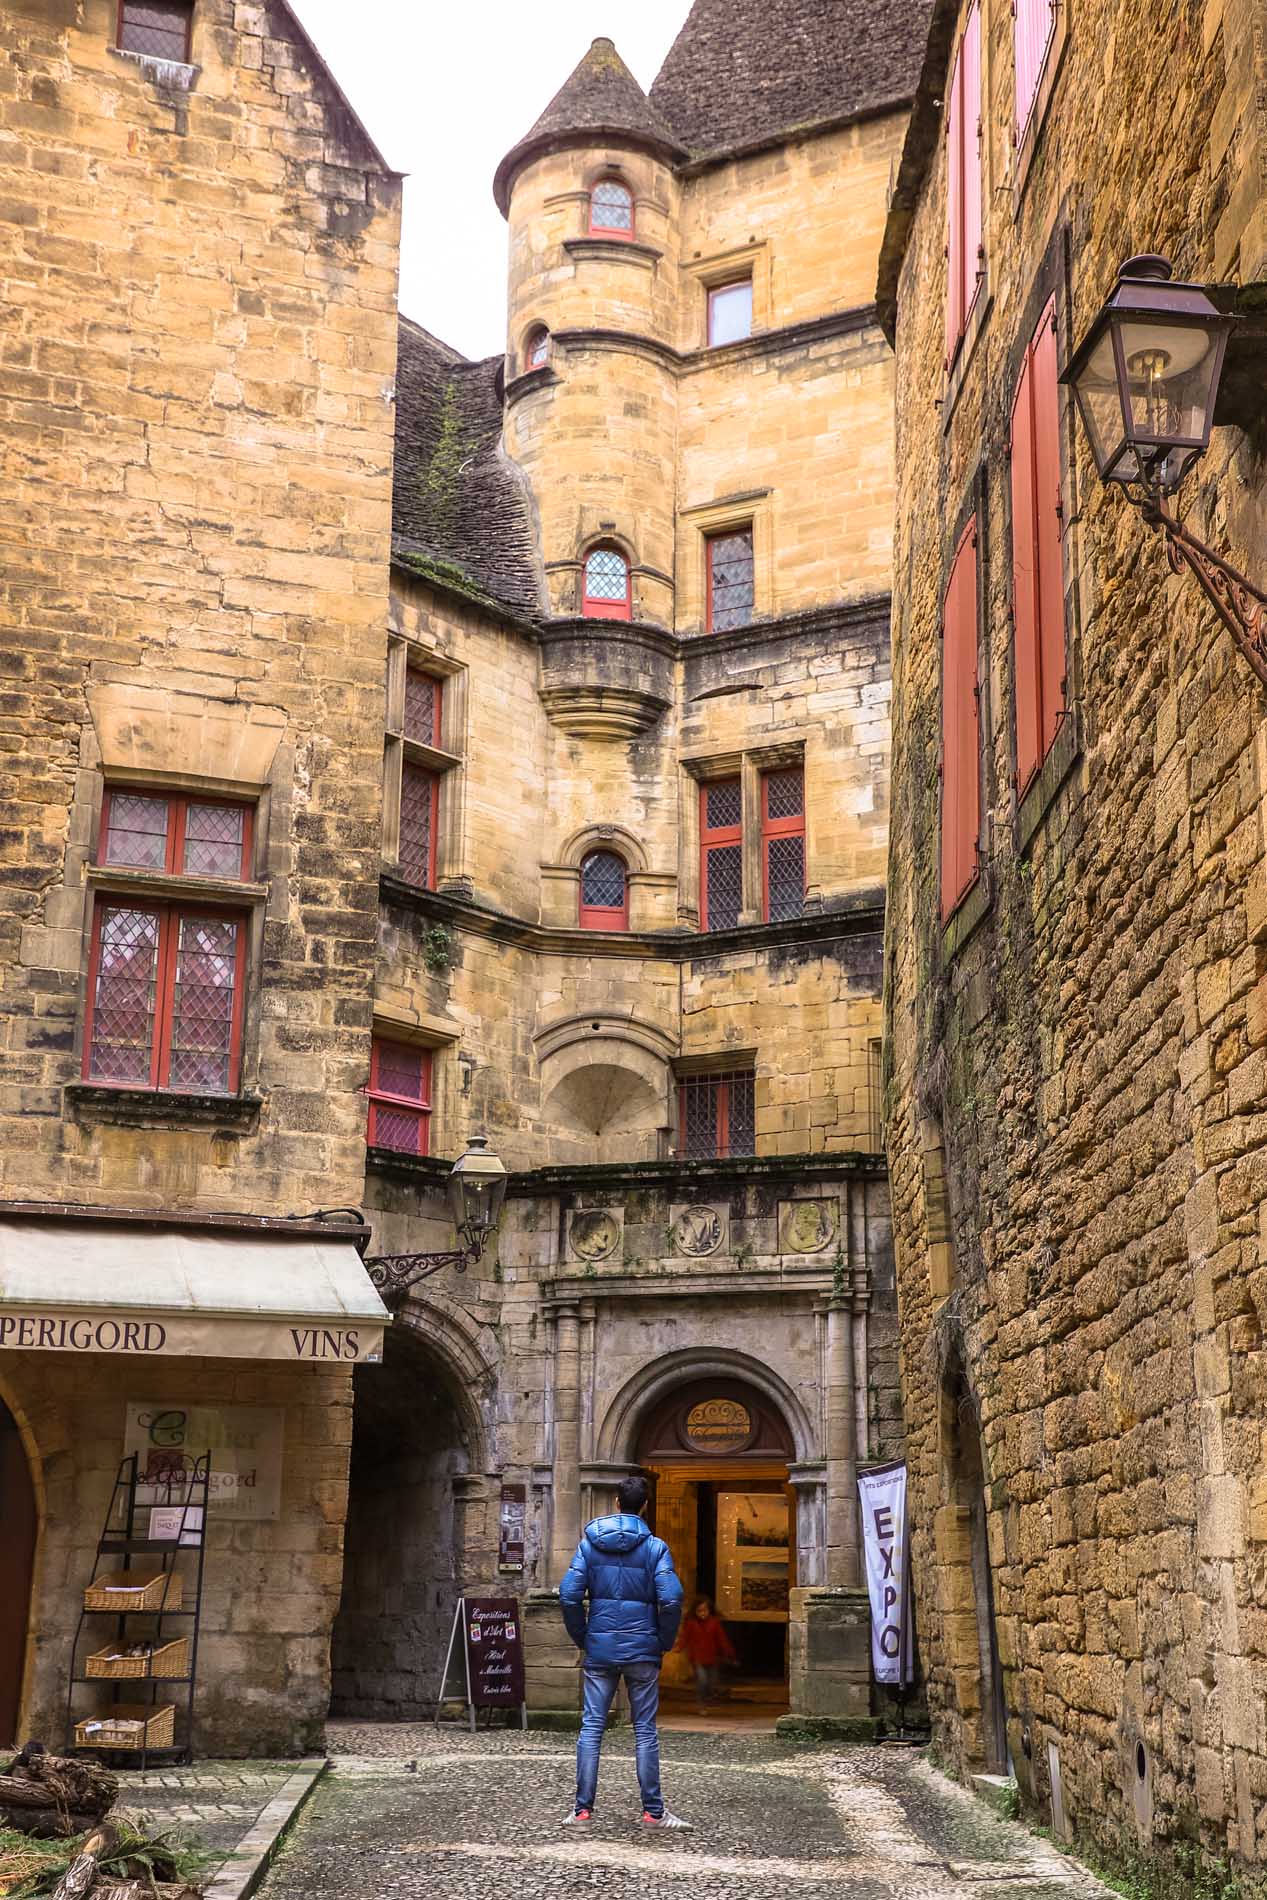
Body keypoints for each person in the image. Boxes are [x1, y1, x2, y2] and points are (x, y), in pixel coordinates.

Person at [558, 1472, 692, 1829]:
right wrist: (662, 1641)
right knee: (644, 1729)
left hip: (600, 1650)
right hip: (642, 1651)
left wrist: (583, 1638)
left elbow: (569, 1594)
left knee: (591, 1728)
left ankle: (582, 1811)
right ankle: (653, 1812)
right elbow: (672, 1598)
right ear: (644, 1507)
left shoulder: (589, 1544)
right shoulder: (655, 1548)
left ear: (616, 1503)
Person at [677, 1597, 737, 1710]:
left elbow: (722, 1639)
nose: (702, 1613)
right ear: (695, 1612)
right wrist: (679, 1647)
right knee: (702, 1680)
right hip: (697, 1658)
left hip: (712, 1658)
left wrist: (730, 1653)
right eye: (699, 1611)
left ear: (709, 1610)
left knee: (712, 1682)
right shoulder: (691, 1623)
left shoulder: (714, 1623)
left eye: (705, 1610)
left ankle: (709, 1699)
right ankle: (701, 1703)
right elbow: (685, 1638)